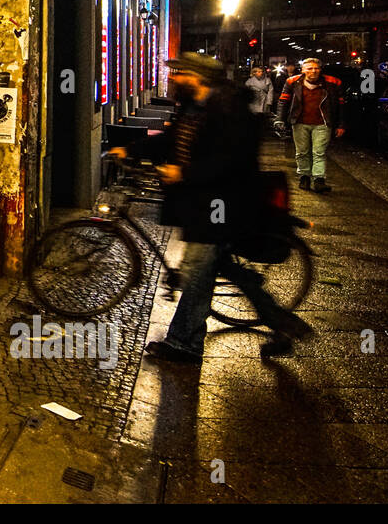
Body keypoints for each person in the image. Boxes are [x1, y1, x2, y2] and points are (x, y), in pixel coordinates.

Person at [109, 52, 313, 362]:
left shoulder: (228, 108)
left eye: (179, 73)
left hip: (223, 205)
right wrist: (131, 149)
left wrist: (184, 173)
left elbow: (232, 161)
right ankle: (285, 325)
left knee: (199, 274)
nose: (174, 78)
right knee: (223, 270)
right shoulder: (195, 105)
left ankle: (184, 343)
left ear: (198, 77)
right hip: (203, 204)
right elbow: (171, 139)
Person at [273, 57, 346, 193]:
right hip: (300, 122)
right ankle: (304, 177)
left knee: (319, 152)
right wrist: (279, 119)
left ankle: (319, 180)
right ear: (303, 70)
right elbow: (283, 101)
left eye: (316, 68)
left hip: (323, 123)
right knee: (302, 152)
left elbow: (341, 105)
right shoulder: (292, 82)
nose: (313, 71)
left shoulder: (333, 82)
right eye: (309, 68)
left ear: (320, 69)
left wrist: (341, 124)